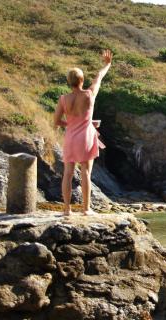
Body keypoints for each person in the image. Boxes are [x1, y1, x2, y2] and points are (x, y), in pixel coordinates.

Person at [53, 49, 112, 216]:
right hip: (85, 137)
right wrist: (107, 64)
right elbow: (99, 77)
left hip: (70, 137)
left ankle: (66, 209)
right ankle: (86, 209)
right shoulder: (89, 94)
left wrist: (70, 123)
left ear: (68, 82)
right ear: (82, 80)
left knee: (68, 173)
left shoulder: (63, 99)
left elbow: (56, 122)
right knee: (85, 171)